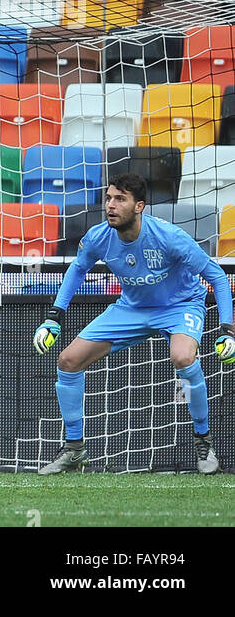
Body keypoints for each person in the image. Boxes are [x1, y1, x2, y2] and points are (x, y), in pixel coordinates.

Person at [34, 173, 235, 475]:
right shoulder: (98, 237)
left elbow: (217, 277)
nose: (110, 206)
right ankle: (75, 450)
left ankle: (203, 440)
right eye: (108, 198)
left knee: (182, 357)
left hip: (180, 306)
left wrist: (226, 329)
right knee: (68, 360)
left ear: (139, 206)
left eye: (120, 199)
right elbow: (77, 270)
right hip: (132, 308)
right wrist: (54, 318)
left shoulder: (170, 238)